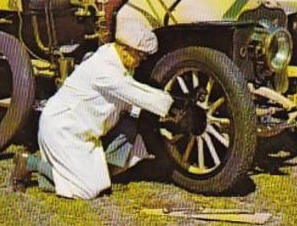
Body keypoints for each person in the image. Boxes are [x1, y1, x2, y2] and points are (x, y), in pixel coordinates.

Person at [11, 20, 176, 199]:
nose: (141, 61)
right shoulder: (106, 69)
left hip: (84, 132)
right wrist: (173, 106)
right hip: (62, 130)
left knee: (129, 133)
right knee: (86, 190)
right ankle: (30, 162)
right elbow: (138, 93)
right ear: (125, 49)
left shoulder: (117, 60)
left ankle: (82, 173)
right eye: (140, 56)